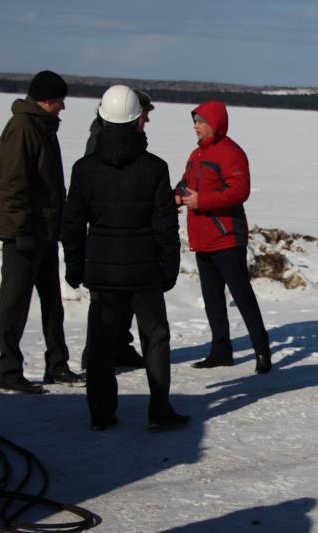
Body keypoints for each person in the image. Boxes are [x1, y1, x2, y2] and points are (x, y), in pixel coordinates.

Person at [62, 84, 189, 430]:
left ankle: (101, 413)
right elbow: (165, 226)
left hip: (102, 273)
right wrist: (170, 268)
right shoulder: (154, 168)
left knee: (101, 344)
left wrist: (74, 266)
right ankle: (160, 410)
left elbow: (72, 224)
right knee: (155, 337)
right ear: (136, 121)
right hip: (144, 272)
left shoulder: (83, 169)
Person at [0, 70, 83, 394]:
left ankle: (57, 364)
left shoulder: (42, 127)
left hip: (43, 230)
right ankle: (8, 370)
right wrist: (21, 228)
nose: (63, 107)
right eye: (60, 101)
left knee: (52, 302)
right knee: (15, 303)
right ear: (46, 100)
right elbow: (11, 184)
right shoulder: (22, 128)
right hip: (23, 233)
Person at [175, 100, 272, 374]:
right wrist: (176, 195)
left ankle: (262, 349)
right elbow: (185, 183)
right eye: (194, 121)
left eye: (200, 121)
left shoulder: (230, 153)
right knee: (212, 297)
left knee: (241, 295)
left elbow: (239, 191)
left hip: (227, 236)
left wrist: (202, 200)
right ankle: (221, 351)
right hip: (202, 237)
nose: (195, 126)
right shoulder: (196, 155)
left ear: (214, 124)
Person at [79, 89, 156, 371]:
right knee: (104, 303)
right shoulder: (102, 141)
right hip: (109, 233)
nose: (147, 120)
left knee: (121, 301)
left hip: (122, 233)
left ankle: (119, 348)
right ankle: (96, 354)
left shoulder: (124, 138)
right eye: (145, 114)